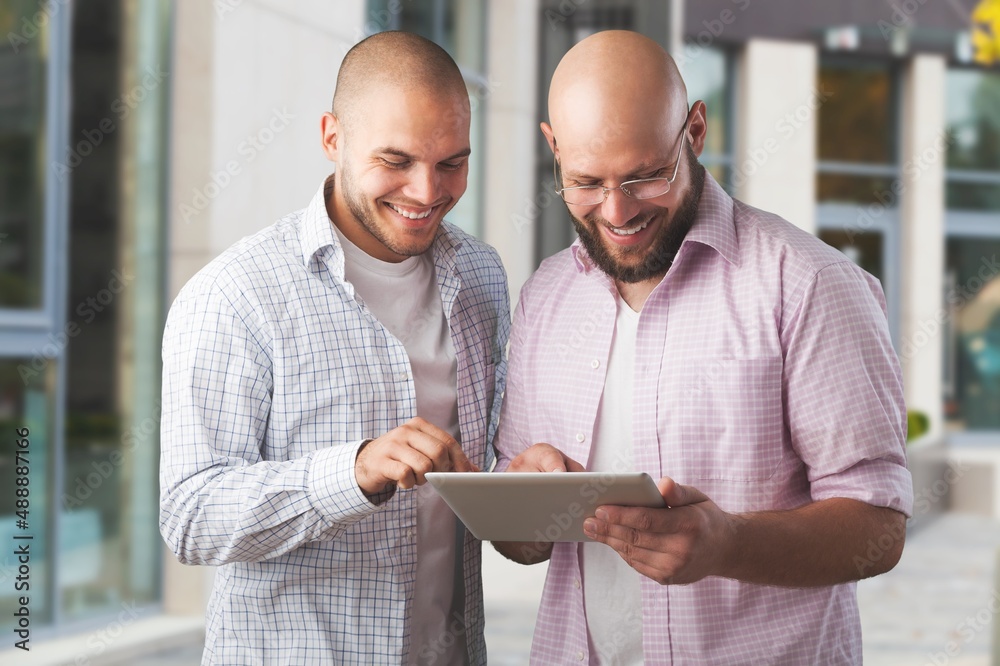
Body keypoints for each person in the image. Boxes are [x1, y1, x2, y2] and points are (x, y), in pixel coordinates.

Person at [492, 30, 912, 664]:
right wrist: (521, 506)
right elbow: (521, 543)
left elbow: (880, 530)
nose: (616, 212)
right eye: (585, 182)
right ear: (553, 147)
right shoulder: (544, 297)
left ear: (694, 131)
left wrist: (729, 545)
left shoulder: (809, 285)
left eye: (646, 176)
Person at [159, 31, 508, 665]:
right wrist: (352, 473)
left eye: (452, 161)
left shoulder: (482, 276)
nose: (428, 192)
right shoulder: (236, 295)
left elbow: (488, 470)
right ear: (332, 137)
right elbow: (190, 515)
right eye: (395, 160)